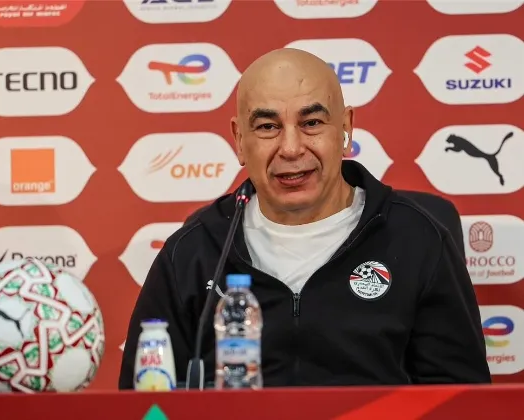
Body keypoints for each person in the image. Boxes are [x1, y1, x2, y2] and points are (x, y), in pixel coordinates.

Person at [118, 48, 491, 388]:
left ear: (345, 129)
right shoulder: (194, 253)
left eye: (311, 122)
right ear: (239, 139)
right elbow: (146, 406)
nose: (291, 148)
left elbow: (462, 402)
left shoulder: (417, 240)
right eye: (268, 127)